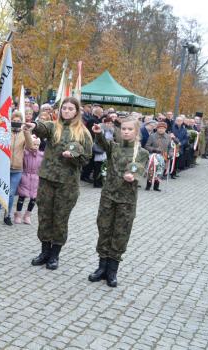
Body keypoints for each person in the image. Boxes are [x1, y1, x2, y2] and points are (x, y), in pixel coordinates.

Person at [28, 96, 93, 270]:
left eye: (71, 109)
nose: (67, 111)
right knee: (44, 216)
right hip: (48, 180)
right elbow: (42, 128)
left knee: (60, 218)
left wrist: (74, 157)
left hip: (67, 183)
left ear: (77, 111)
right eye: (64, 108)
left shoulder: (82, 132)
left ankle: (54, 255)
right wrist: (33, 125)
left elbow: (87, 158)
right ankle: (44, 252)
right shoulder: (54, 126)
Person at [89, 117, 149, 287]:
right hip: (108, 197)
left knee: (120, 233)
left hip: (126, 200)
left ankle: (112, 271)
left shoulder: (142, 152)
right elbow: (102, 143)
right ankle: (101, 268)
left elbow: (140, 169)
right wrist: (99, 133)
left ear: (136, 132)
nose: (126, 131)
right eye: (123, 128)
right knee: (104, 228)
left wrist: (133, 176)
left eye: (130, 129)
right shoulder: (114, 147)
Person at [0, 111, 33, 225]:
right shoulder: (5, 131)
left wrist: (27, 133)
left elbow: (30, 147)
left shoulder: (24, 133)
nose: (16, 123)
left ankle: (7, 216)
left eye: (18, 121)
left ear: (21, 122)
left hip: (17, 168)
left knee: (11, 193)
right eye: (14, 120)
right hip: (4, 167)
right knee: (0, 191)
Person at [14, 134, 44, 224]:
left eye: (37, 145)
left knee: (33, 198)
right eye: (34, 144)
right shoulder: (25, 153)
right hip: (25, 176)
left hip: (36, 178)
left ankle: (27, 215)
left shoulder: (42, 155)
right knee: (22, 196)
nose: (35, 147)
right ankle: (18, 214)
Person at [144, 122, 177, 191]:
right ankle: (148, 185)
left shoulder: (168, 137)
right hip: (153, 156)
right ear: (157, 128)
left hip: (163, 156)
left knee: (160, 171)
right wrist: (154, 149)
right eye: (159, 128)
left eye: (163, 128)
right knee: (151, 170)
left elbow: (170, 147)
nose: (161, 130)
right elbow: (146, 146)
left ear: (165, 129)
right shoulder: (152, 136)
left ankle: (156, 186)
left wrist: (170, 154)